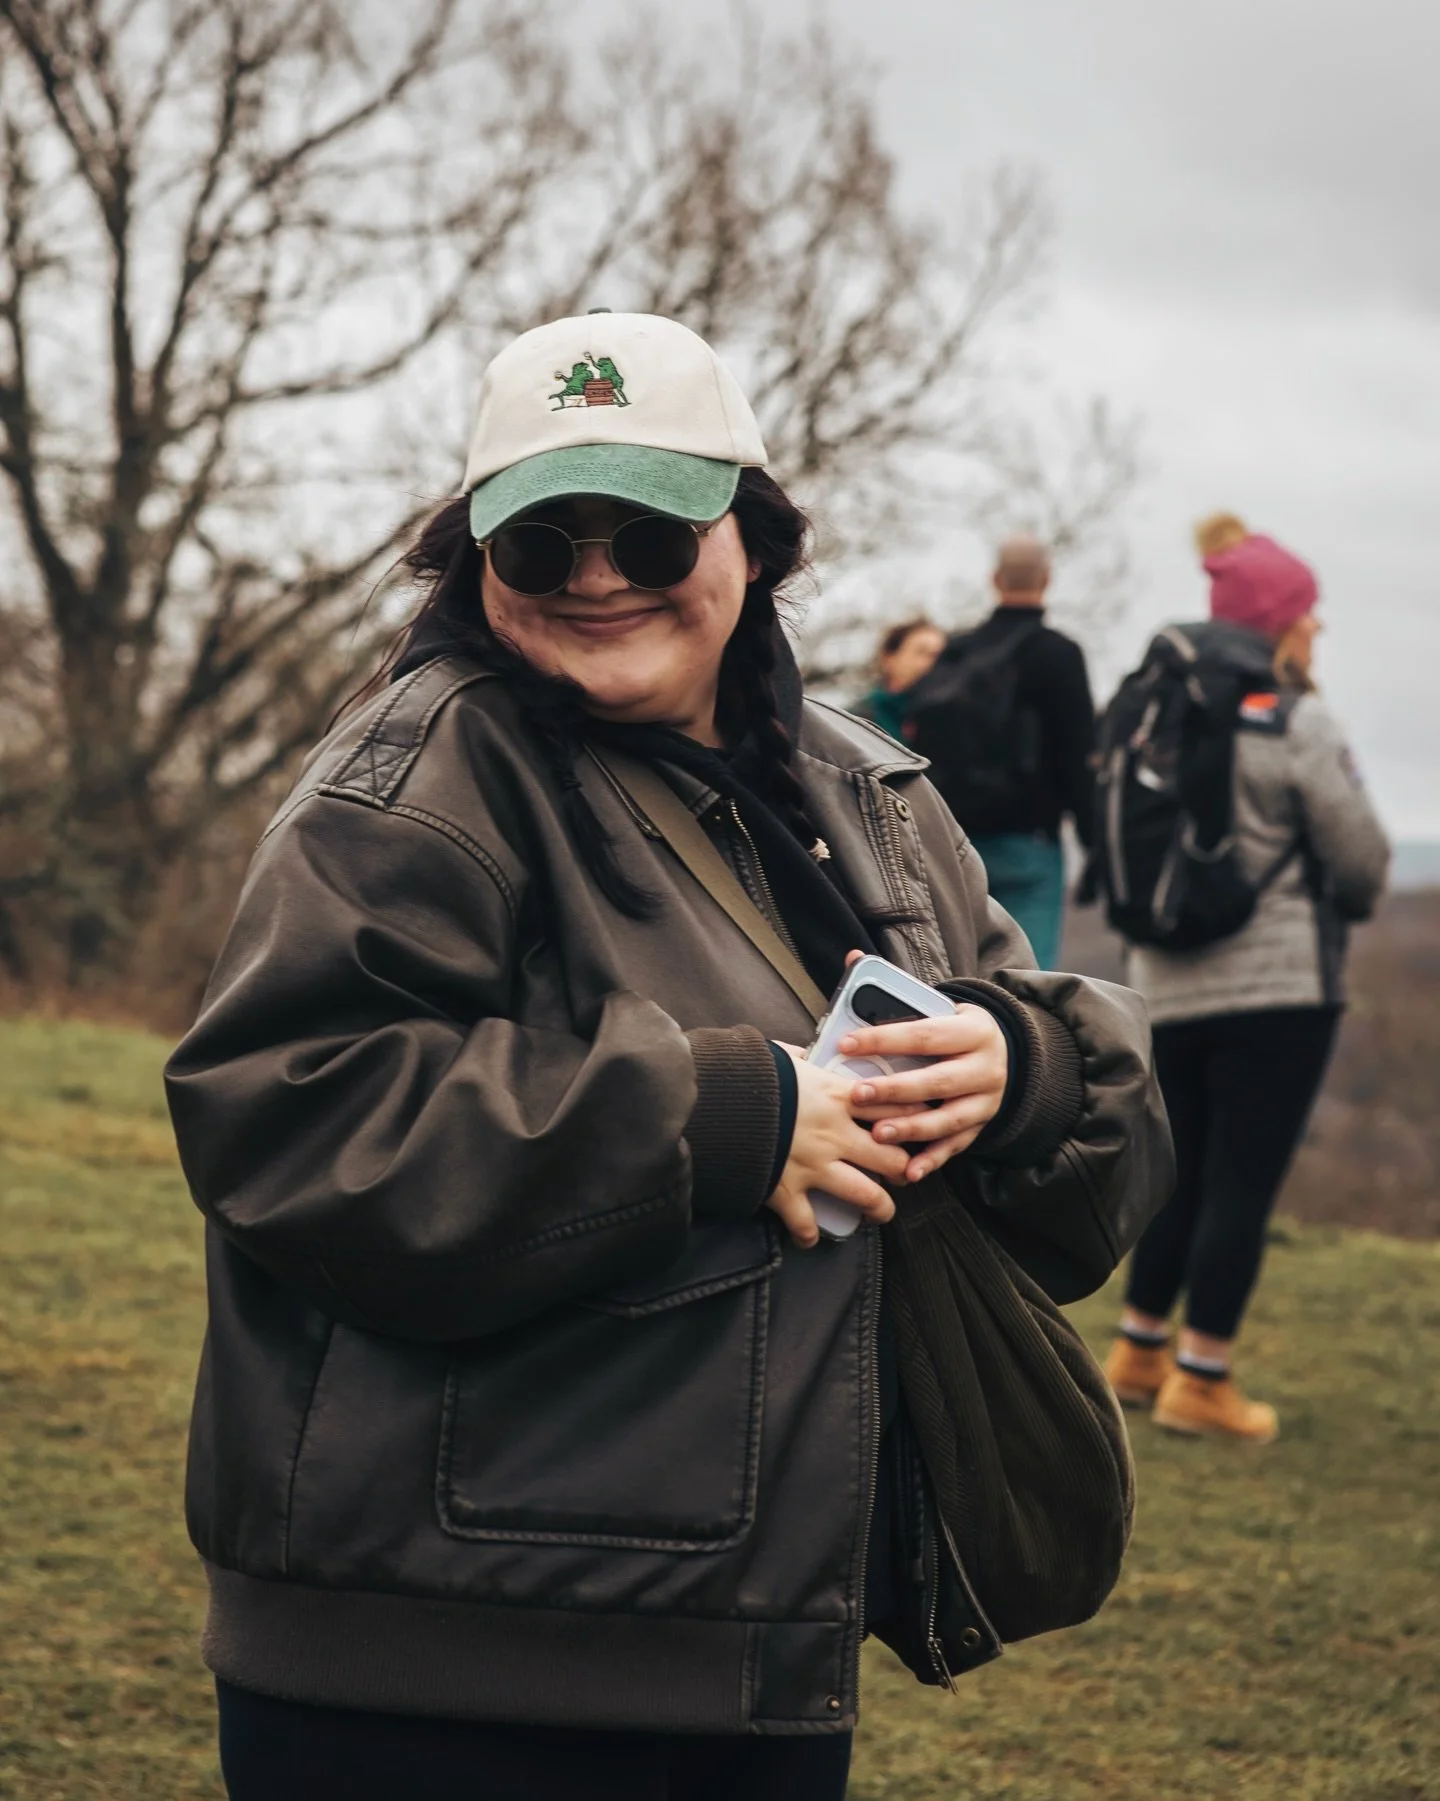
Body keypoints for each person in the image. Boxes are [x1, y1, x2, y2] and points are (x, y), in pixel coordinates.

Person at [165, 311, 1169, 1801]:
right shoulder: (407, 783)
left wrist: (1026, 1071)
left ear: (751, 540)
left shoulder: (871, 790)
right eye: (539, 543)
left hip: (748, 1658)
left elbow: (1098, 1181)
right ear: (473, 563)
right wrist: (726, 1114)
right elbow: (287, 1115)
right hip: (425, 1675)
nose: (594, 577)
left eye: (646, 532)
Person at [1103, 515, 1390, 1443]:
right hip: (1274, 993)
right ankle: (1204, 1377)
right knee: (1243, 1182)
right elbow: (1360, 863)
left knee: (1178, 1171)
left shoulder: (1158, 713)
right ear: (1283, 620)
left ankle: (1138, 1354)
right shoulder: (1293, 715)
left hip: (1162, 981)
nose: (1319, 629)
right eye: (1310, 611)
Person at [907, 535, 1095, 969]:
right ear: (1047, 580)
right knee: (1029, 980)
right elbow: (1078, 757)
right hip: (1031, 840)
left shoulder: (956, 654)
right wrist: (1093, 842)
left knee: (960, 970)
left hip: (955, 841)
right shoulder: (1059, 654)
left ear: (995, 580)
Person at [850, 617, 945, 742]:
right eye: (921, 652)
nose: (933, 662)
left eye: (940, 655)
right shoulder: (857, 721)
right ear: (889, 658)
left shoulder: (953, 719)